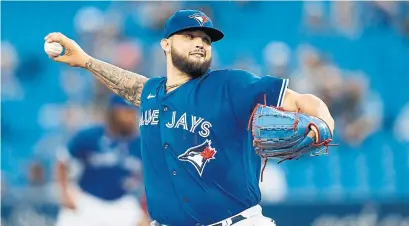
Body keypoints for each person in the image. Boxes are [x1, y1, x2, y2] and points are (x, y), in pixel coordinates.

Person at [45, 9, 335, 226]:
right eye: (189, 36)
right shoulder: (151, 94)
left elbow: (304, 101)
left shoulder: (231, 85)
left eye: (206, 39)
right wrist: (85, 61)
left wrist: (324, 123)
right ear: (166, 44)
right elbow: (131, 84)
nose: (200, 43)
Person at [54, 94, 150, 226]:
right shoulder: (90, 135)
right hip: (88, 200)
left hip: (120, 203)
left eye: (132, 112)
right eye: (125, 112)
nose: (130, 117)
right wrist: (64, 192)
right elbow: (62, 162)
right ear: (113, 112)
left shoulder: (139, 143)